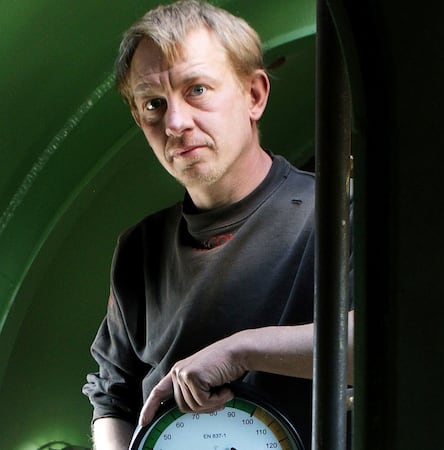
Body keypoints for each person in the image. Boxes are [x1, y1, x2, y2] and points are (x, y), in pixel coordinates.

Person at [82, 1, 354, 448]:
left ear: (254, 95)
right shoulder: (139, 248)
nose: (175, 122)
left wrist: (239, 350)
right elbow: (112, 396)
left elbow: (377, 341)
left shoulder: (336, 213)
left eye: (198, 90)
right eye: (153, 103)